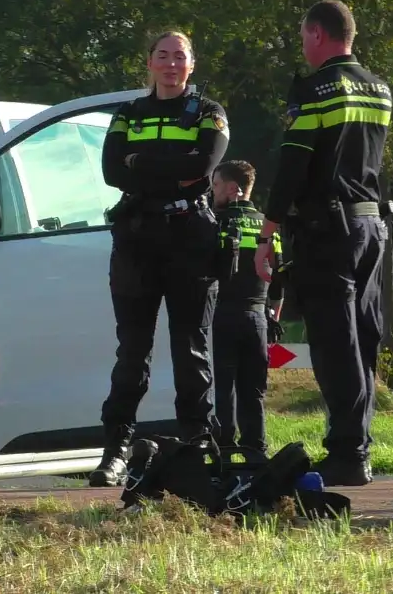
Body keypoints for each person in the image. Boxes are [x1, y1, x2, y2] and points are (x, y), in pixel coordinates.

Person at [254, 0, 392, 487]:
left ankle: (347, 454)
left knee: (336, 342)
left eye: (302, 36)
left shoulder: (314, 90)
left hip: (326, 231)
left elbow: (294, 162)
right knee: (365, 337)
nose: (302, 47)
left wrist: (268, 231)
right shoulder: (379, 88)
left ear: (317, 34)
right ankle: (361, 444)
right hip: (371, 225)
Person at [88, 31, 230, 488]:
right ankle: (115, 452)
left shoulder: (210, 112)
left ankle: (196, 447)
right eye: (162, 56)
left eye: (180, 57)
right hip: (137, 240)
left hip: (191, 239)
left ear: (192, 64)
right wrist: (171, 165)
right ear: (149, 63)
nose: (171, 65)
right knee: (132, 353)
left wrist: (140, 163)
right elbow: (111, 171)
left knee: (191, 351)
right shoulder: (128, 113)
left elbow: (202, 166)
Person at [209, 160, 284, 454]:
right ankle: (255, 454)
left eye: (215, 186)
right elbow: (278, 280)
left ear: (231, 188)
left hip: (221, 314)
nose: (212, 192)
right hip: (258, 317)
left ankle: (223, 453)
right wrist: (273, 317)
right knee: (254, 392)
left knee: (223, 390)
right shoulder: (269, 226)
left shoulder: (216, 220)